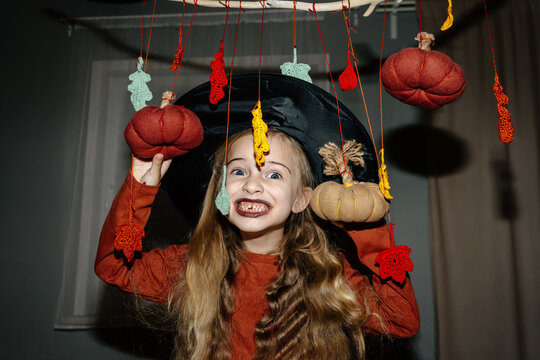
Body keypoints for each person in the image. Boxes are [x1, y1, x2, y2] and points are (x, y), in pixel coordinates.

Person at [95, 74, 419, 360]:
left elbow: (400, 320)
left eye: (274, 175)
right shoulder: (193, 266)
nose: (252, 184)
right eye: (238, 171)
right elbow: (113, 265)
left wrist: (363, 225)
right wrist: (141, 185)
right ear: (220, 187)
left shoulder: (328, 275)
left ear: (301, 199)